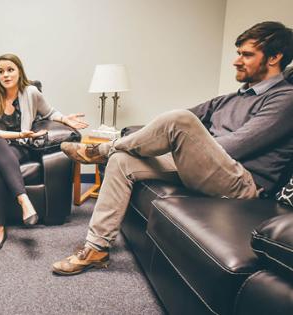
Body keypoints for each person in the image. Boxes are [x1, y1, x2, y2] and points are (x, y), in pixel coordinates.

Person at [53, 21, 293, 275]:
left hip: (242, 183)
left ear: (275, 57)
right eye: (238, 53)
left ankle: (101, 151)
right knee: (122, 160)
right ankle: (96, 249)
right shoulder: (234, 97)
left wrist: (182, 147)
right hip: (206, 169)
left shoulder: (285, 98)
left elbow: (236, 146)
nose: (236, 61)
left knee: (179, 120)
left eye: (246, 55)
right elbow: (170, 124)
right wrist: (152, 141)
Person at [0, 53, 88, 254]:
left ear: (19, 71)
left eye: (10, 69)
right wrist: (20, 133)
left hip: (16, 149)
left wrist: (65, 119)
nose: (6, 75)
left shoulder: (31, 92)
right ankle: (24, 201)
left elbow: (49, 112)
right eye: (1, 71)